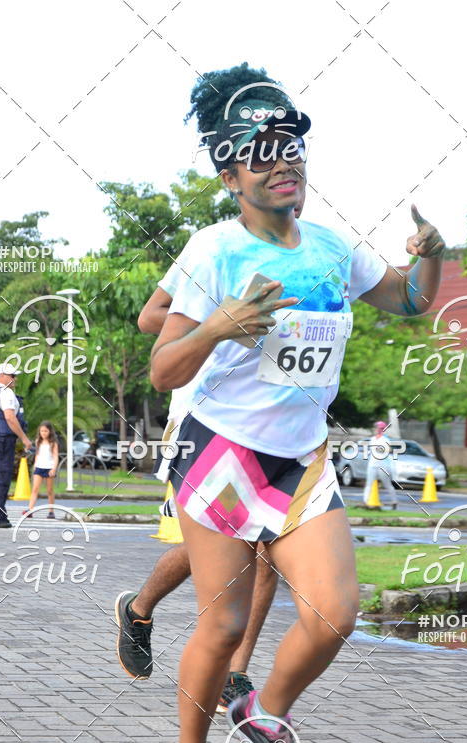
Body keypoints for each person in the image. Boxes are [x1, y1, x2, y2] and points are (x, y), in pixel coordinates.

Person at [149, 65, 445, 743]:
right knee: (223, 624)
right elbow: (162, 368)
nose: (283, 161)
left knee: (335, 612)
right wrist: (217, 327)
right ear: (229, 173)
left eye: (291, 149)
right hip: (221, 451)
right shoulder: (212, 251)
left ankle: (266, 711)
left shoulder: (330, 248)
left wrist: (432, 255)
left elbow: (410, 299)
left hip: (302, 456)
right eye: (260, 150)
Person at [114, 134, 305, 709]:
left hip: (276, 420)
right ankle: (139, 608)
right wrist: (216, 321)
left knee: (269, 548)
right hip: (202, 414)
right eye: (263, 167)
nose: (282, 176)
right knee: (231, 549)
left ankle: (236, 671)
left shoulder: (310, 251)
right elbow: (152, 318)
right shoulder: (212, 252)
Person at [0, 363, 32, 528]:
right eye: (12, 376)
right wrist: (24, 438)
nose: (15, 379)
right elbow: (10, 418)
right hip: (3, 440)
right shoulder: (6, 392)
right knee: (2, 479)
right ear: (2, 375)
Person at [23, 421, 59, 519]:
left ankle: (51, 511)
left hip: (49, 468)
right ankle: (30, 510)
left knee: (50, 490)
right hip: (39, 467)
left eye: (45, 431)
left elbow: (56, 457)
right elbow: (37, 455)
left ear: (50, 431)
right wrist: (35, 464)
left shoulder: (53, 443)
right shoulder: (38, 441)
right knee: (35, 489)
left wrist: (54, 469)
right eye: (42, 431)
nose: (43, 433)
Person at [362, 420, 398, 509]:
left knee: (387, 484)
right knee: (369, 484)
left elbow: (389, 450)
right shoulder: (372, 439)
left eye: (379, 428)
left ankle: (394, 501)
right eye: (376, 427)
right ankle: (365, 502)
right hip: (372, 464)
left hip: (383, 465)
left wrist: (381, 449)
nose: (377, 429)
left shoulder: (385, 440)